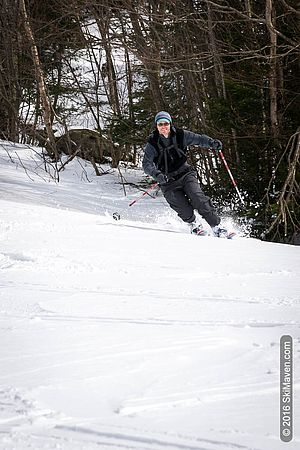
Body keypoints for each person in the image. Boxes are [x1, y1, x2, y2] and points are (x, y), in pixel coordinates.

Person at [142, 111, 229, 237]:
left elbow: (198, 139)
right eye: (160, 124)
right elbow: (146, 164)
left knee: (197, 197)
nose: (163, 127)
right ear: (156, 126)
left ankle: (216, 226)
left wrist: (211, 143)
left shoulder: (181, 135)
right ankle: (194, 224)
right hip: (167, 180)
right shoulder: (153, 143)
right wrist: (157, 175)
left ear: (170, 124)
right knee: (181, 206)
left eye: (165, 123)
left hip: (185, 174)